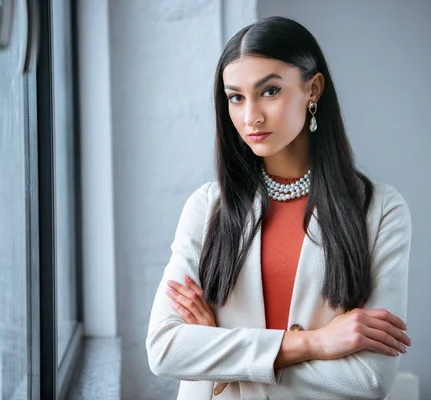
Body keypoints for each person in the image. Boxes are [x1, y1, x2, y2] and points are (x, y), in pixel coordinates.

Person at [146, 16, 411, 400]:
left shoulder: (381, 210)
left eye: (269, 91)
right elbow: (165, 349)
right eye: (235, 97)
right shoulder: (207, 207)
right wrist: (312, 344)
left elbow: (370, 379)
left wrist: (219, 356)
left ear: (313, 89)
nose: (250, 115)